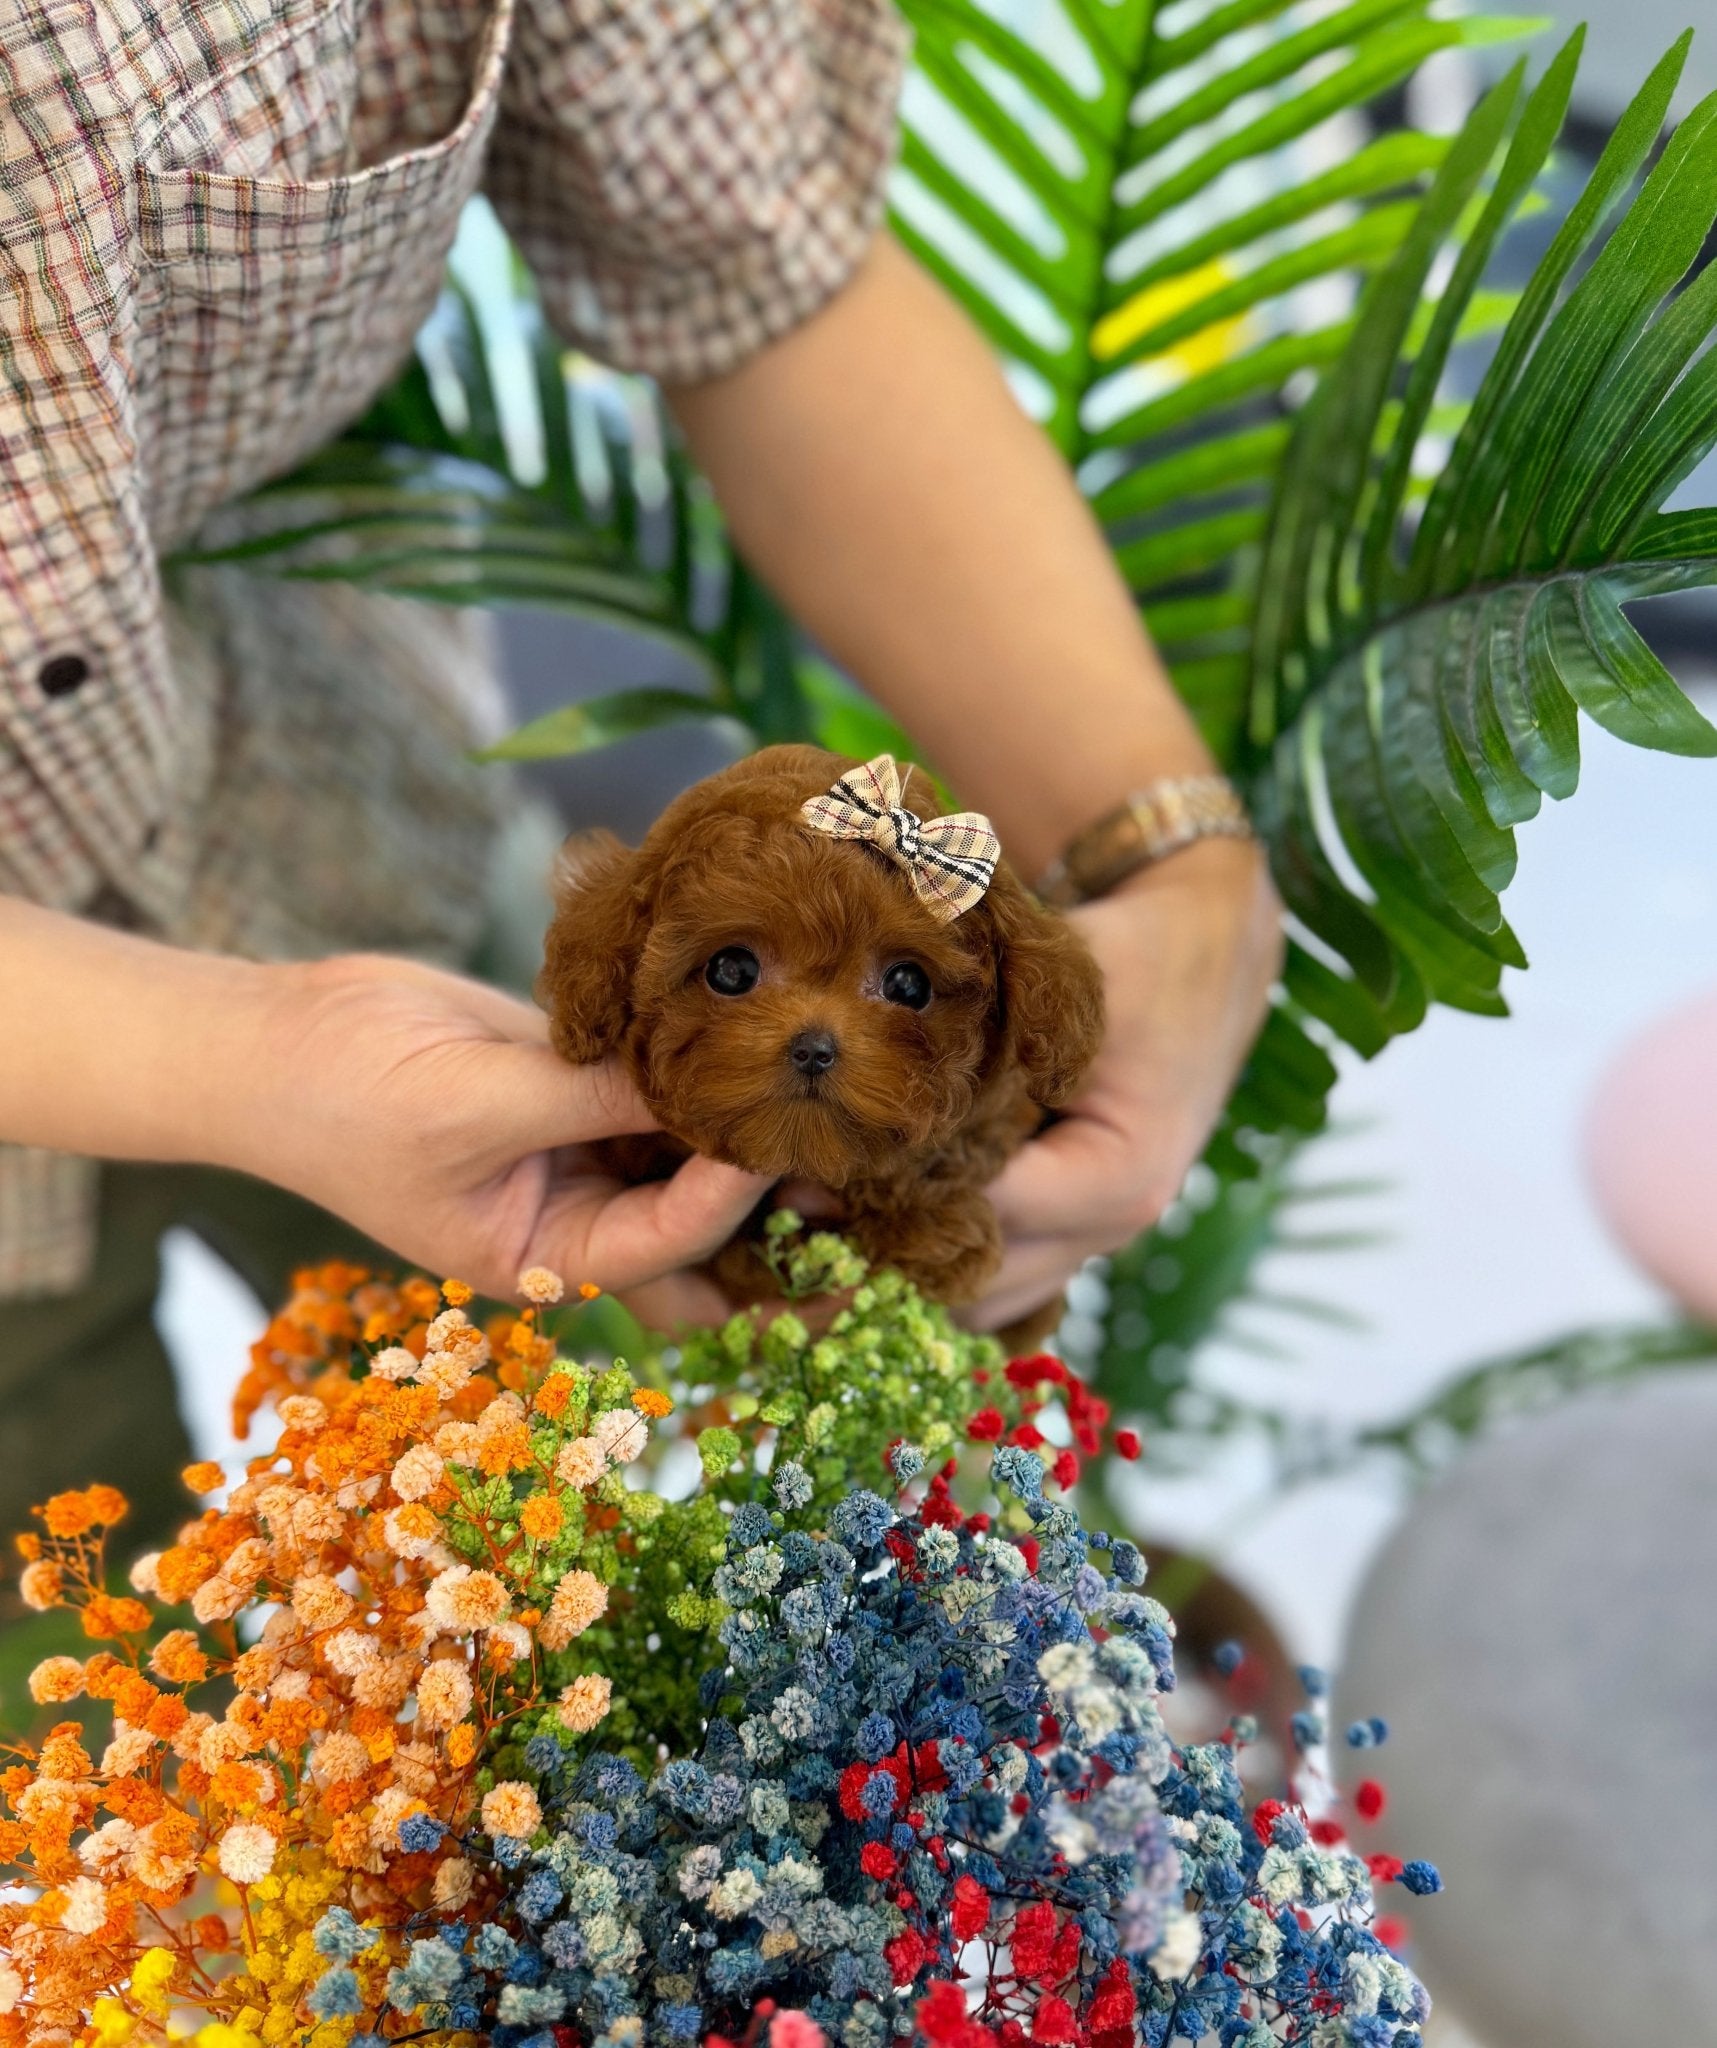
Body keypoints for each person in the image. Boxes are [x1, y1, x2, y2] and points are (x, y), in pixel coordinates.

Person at [0, 0, 1280, 1546]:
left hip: (340, 804)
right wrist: (250, 1057)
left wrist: (1170, 847)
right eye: (735, 966)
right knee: (76, 1661)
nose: (813, 1037)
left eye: (896, 989)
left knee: (590, 1546)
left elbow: (749, 257)